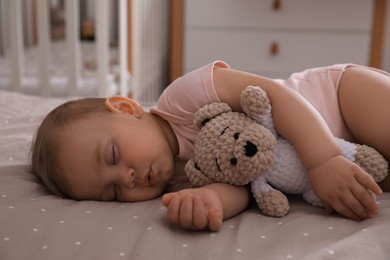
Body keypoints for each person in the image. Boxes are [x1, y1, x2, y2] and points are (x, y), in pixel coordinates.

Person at [31, 61, 390, 232]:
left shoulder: (183, 98)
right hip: (351, 156)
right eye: (112, 192)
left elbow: (274, 94)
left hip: (341, 99)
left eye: (112, 156)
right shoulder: (178, 183)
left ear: (126, 109)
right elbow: (242, 191)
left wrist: (323, 159)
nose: (128, 179)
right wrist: (211, 201)